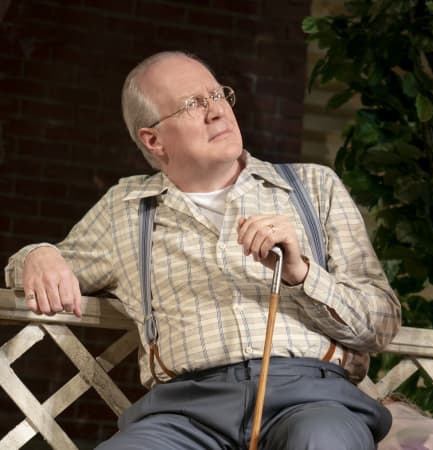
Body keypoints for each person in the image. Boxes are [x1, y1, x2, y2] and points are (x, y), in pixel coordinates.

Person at [4, 51, 402, 450]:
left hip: (311, 399)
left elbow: (382, 323)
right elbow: (40, 267)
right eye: (193, 104)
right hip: (185, 415)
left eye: (218, 95)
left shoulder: (314, 187)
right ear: (153, 140)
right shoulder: (125, 209)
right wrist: (38, 255)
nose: (216, 112)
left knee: (323, 441)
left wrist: (302, 273)